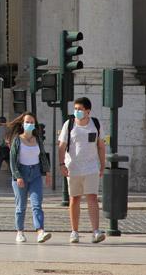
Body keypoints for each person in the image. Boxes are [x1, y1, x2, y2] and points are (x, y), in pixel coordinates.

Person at [58, 97, 106, 244]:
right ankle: (74, 232)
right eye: (76, 109)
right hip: (73, 167)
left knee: (92, 197)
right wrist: (61, 164)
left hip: (91, 167)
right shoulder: (69, 124)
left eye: (80, 109)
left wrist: (102, 165)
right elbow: (61, 145)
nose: (77, 111)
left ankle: (96, 231)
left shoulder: (96, 124)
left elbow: (101, 146)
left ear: (88, 111)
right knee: (75, 199)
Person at [8, 112, 52, 243]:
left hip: (36, 174)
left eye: (32, 122)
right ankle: (20, 231)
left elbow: (42, 156)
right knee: (21, 206)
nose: (29, 124)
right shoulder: (17, 140)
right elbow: (13, 160)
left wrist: (47, 172)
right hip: (21, 173)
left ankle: (40, 231)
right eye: (27, 122)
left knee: (37, 204)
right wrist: (17, 176)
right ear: (22, 124)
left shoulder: (37, 139)